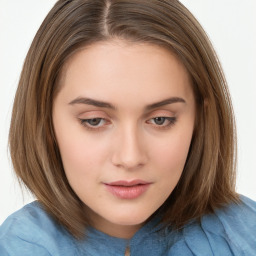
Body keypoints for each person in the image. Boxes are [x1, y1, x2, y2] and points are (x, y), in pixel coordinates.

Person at [0, 0, 255, 255]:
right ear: (45, 122)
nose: (130, 157)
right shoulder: (20, 246)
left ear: (200, 119)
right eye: (94, 121)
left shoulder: (246, 238)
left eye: (160, 119)